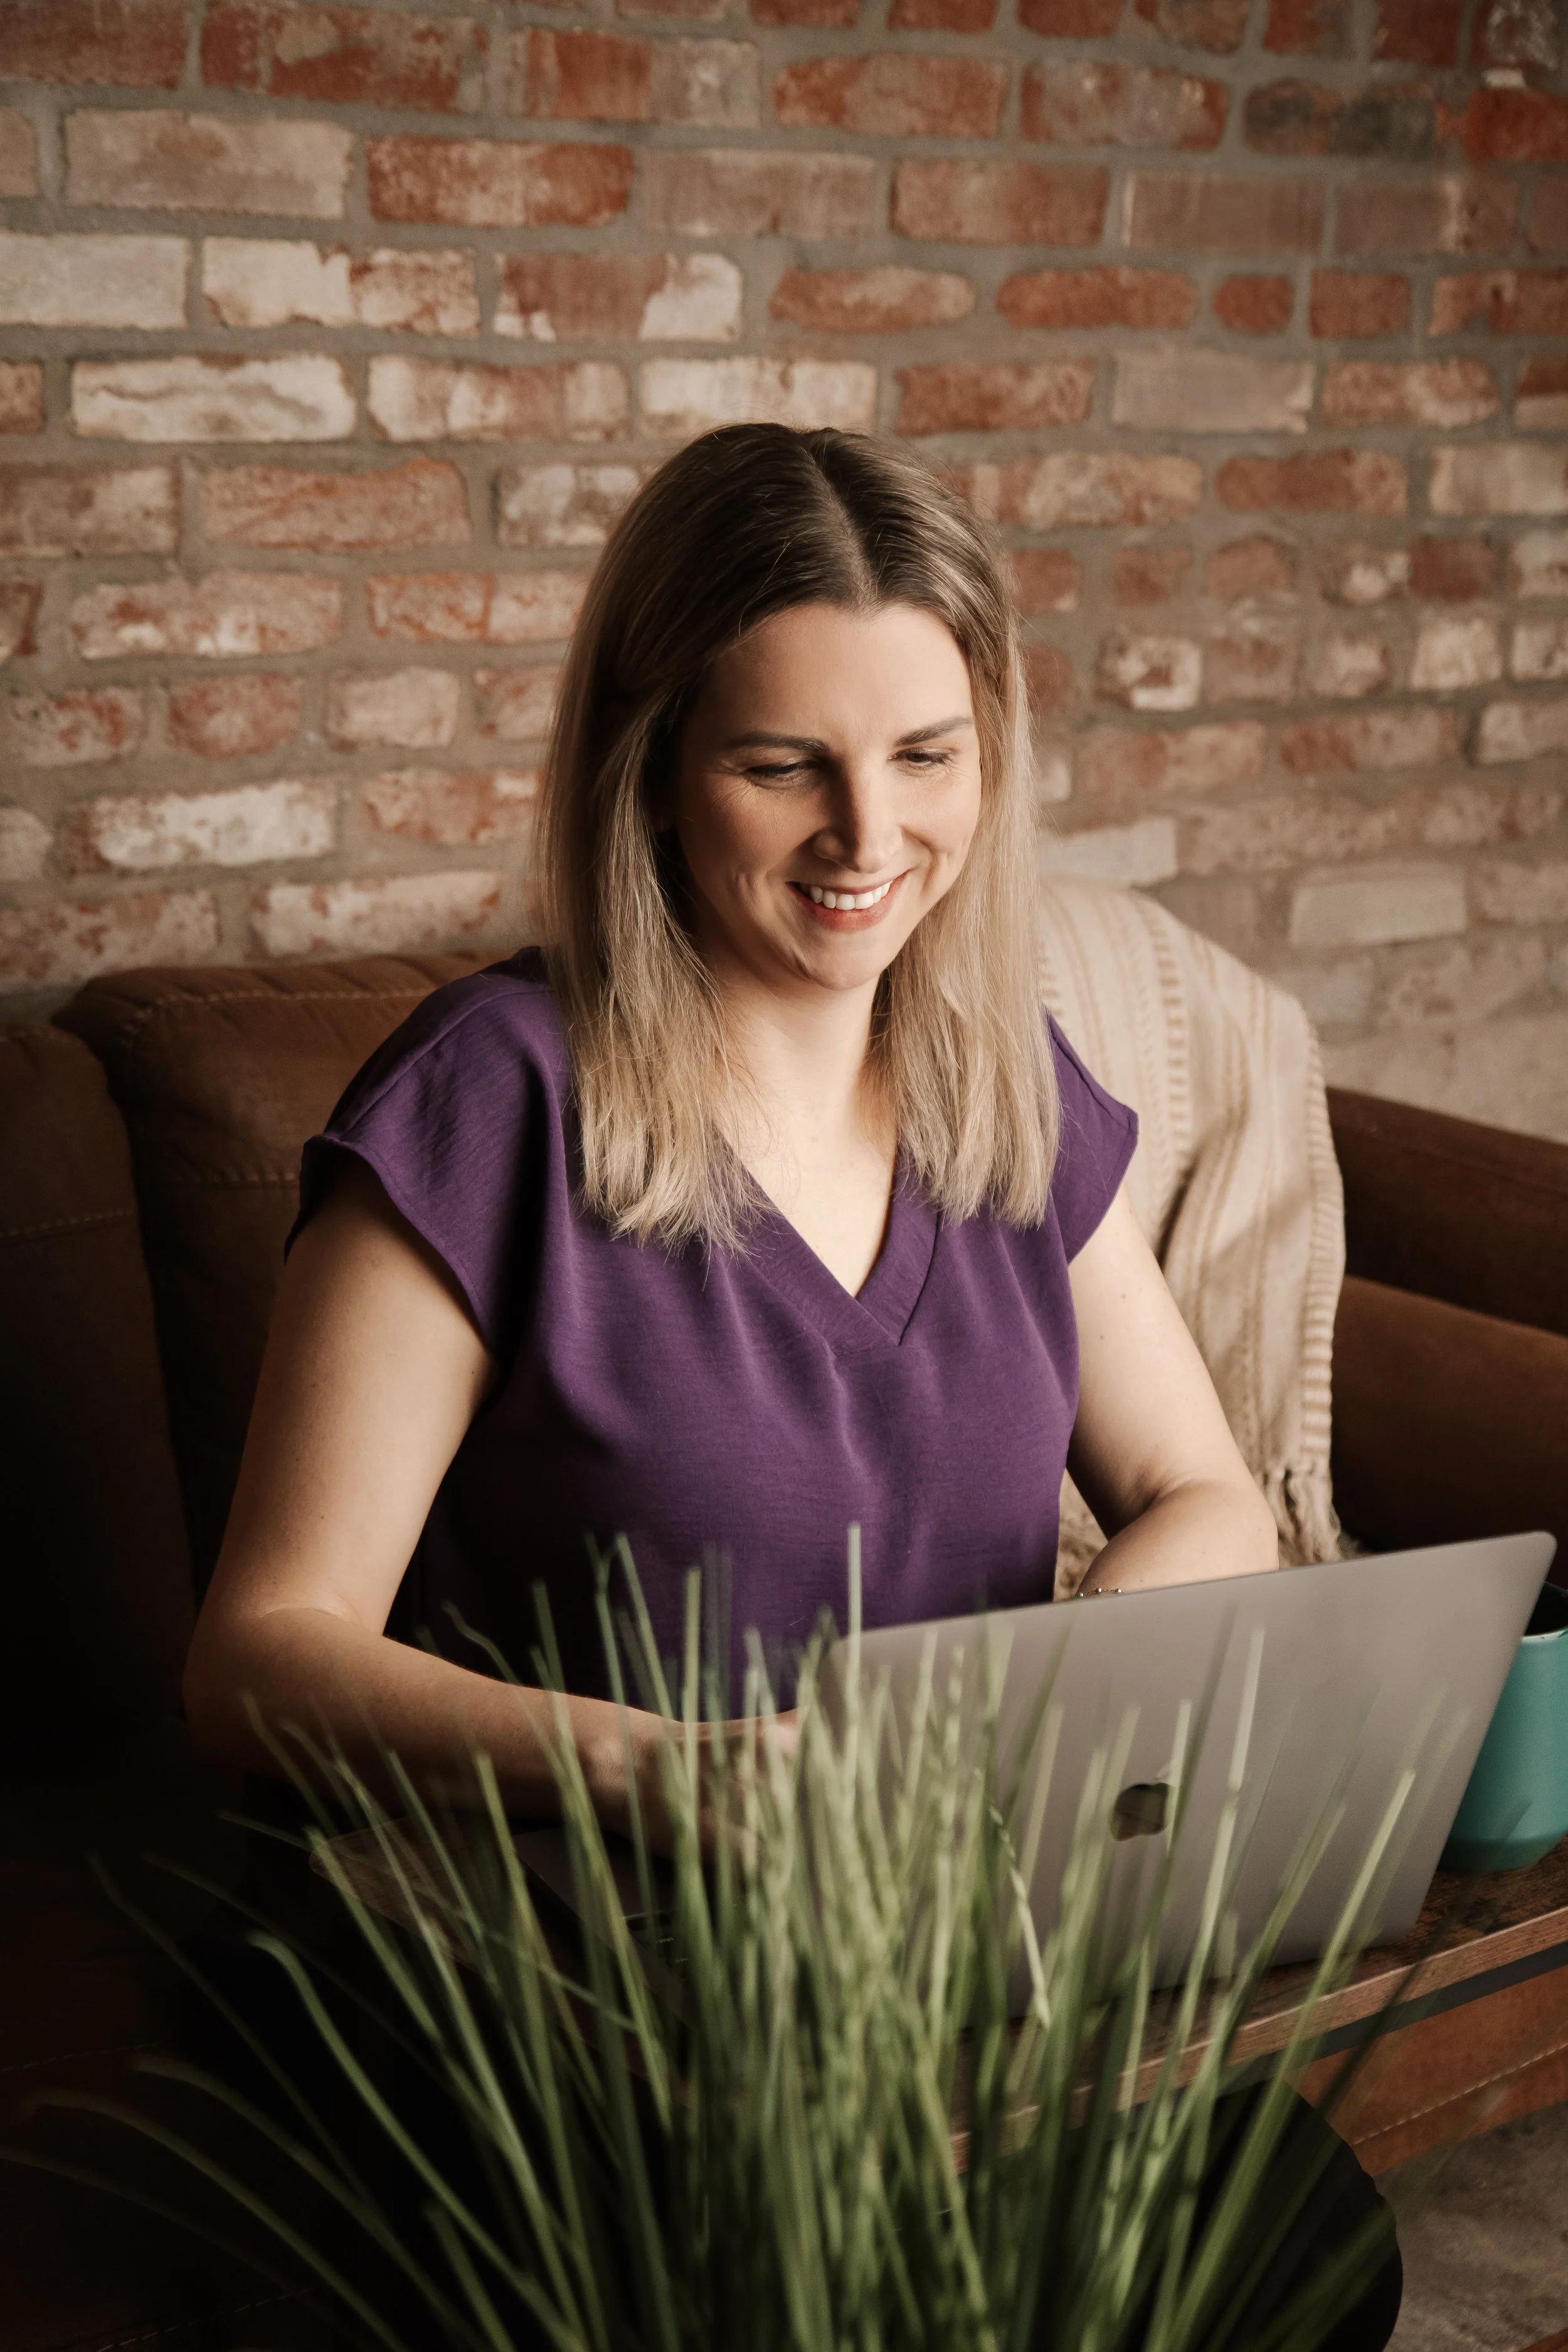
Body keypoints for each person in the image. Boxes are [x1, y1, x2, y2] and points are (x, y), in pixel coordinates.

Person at [179, 424, 1399, 2347]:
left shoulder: (1001, 1081)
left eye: (926, 756)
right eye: (782, 765)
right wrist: (650, 1768)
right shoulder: (491, 1096)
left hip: (908, 1939)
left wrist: (1043, 1712)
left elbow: (1205, 1489)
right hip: (557, 1946)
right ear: (648, 767)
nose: (867, 835)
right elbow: (256, 1651)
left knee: (1306, 2243)